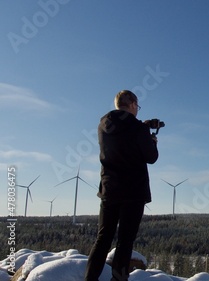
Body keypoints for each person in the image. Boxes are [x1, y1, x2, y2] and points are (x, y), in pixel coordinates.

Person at [85, 90, 159, 281]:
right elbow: (151, 157)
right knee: (125, 242)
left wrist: (142, 127)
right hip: (133, 192)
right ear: (133, 104)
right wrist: (152, 140)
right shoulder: (138, 129)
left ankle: (89, 278)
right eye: (138, 106)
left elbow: (121, 137)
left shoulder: (103, 124)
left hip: (109, 190)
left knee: (102, 239)